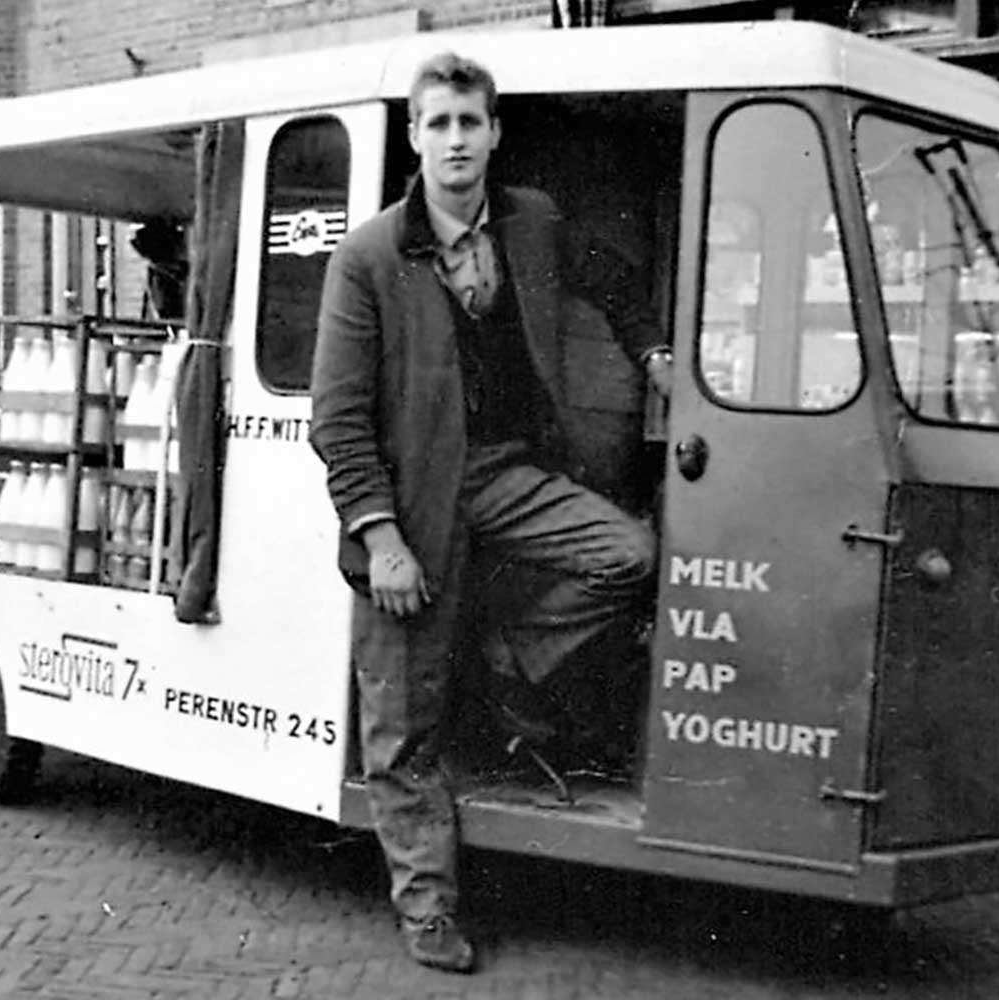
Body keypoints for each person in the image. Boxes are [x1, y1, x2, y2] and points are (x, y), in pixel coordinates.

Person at [309, 52, 672, 973]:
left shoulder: (531, 222)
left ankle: (509, 656)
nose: (456, 140)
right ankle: (428, 909)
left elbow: (610, 276)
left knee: (628, 555)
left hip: (506, 473)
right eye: (438, 123)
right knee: (403, 723)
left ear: (495, 132)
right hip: (410, 503)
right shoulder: (369, 257)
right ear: (415, 136)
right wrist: (381, 540)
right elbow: (337, 419)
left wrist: (654, 353)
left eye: (470, 122)